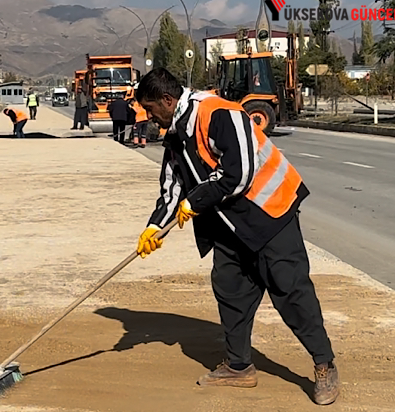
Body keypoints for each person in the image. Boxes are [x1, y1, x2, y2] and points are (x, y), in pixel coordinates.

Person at [134, 68, 339, 406]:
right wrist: (154, 227)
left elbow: (239, 174)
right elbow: (172, 186)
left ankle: (324, 364)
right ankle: (239, 366)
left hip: (270, 214)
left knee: (291, 291)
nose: (148, 115)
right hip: (228, 226)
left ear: (167, 101)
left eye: (150, 108)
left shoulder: (218, 113)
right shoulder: (174, 133)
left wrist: (194, 201)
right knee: (230, 290)